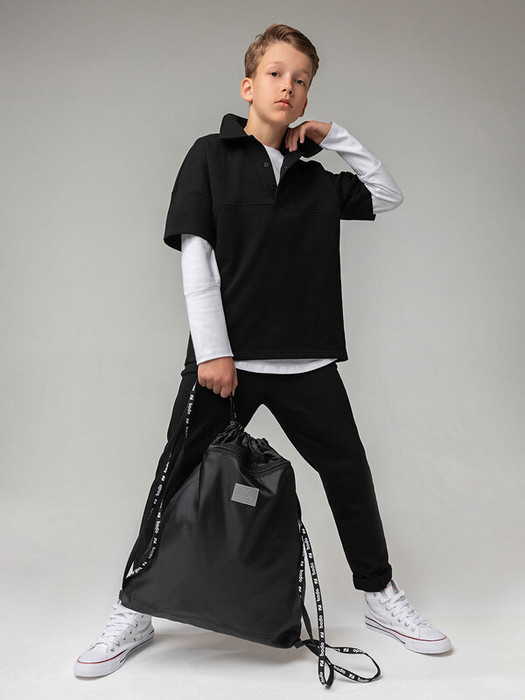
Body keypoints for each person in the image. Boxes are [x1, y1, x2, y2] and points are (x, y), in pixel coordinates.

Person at [74, 22, 451, 679]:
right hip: (227, 364)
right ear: (249, 85)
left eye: (301, 80)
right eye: (276, 73)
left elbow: (388, 194)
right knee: (176, 476)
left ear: (306, 97)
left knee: (349, 473)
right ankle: (135, 606)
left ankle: (379, 594)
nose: (288, 87)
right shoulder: (209, 156)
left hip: (308, 361)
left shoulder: (317, 180)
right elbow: (196, 256)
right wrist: (213, 352)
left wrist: (335, 136)